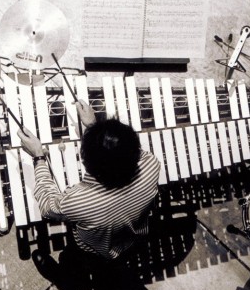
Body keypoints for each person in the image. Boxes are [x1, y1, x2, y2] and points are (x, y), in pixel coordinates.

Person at [17, 101, 161, 273]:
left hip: (95, 251)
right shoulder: (152, 164)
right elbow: (128, 150)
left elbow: (47, 207)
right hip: (134, 237)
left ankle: (64, 279)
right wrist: (94, 127)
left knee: (71, 261)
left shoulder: (77, 201)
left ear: (86, 165)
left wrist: (38, 157)